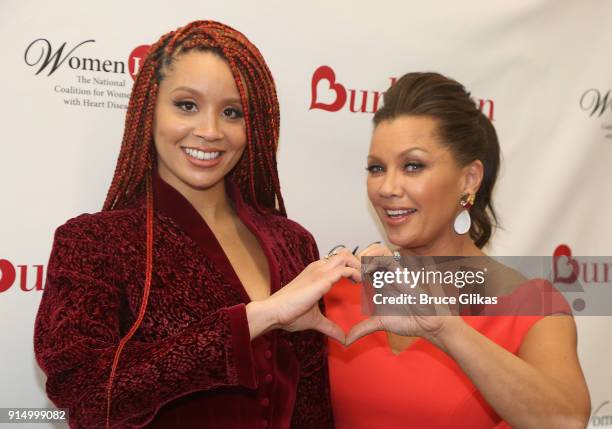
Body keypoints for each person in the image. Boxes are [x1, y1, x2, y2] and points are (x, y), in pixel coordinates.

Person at [34, 20, 358, 429]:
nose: (209, 131)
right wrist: (259, 318)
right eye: (187, 105)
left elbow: (312, 407)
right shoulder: (94, 243)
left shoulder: (292, 242)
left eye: (232, 112)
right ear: (148, 111)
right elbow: (85, 396)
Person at [325, 72, 591, 428]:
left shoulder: (531, 308)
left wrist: (445, 329)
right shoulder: (340, 292)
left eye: (413, 166)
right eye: (377, 168)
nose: (387, 187)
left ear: (469, 179)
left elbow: (566, 422)